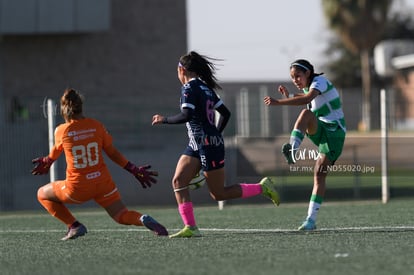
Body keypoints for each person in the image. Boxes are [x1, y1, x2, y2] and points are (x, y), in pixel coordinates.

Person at [152, 51, 280, 238]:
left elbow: (186, 115)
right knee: (179, 181)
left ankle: (263, 187)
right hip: (199, 142)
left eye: (177, 70)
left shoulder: (189, 88)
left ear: (182, 70)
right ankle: (191, 228)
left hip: (206, 143)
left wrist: (164, 120)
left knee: (218, 194)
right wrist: (215, 134)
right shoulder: (205, 88)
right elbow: (225, 113)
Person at [32, 88, 168, 240]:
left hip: (78, 188)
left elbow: (52, 157)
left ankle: (74, 226)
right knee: (121, 215)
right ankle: (142, 219)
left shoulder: (62, 131)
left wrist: (47, 162)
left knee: (42, 194)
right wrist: (134, 169)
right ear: (81, 106)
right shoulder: (96, 125)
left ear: (64, 109)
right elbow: (112, 153)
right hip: (103, 183)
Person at [263, 59, 346, 231]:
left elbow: (307, 98)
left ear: (308, 73)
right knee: (306, 114)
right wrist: (290, 96)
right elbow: (306, 96)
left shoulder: (320, 81)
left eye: (297, 76)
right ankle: (293, 149)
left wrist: (279, 102)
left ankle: (310, 219)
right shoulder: (311, 87)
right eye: (292, 78)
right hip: (322, 129)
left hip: (335, 134)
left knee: (319, 176)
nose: (295, 81)